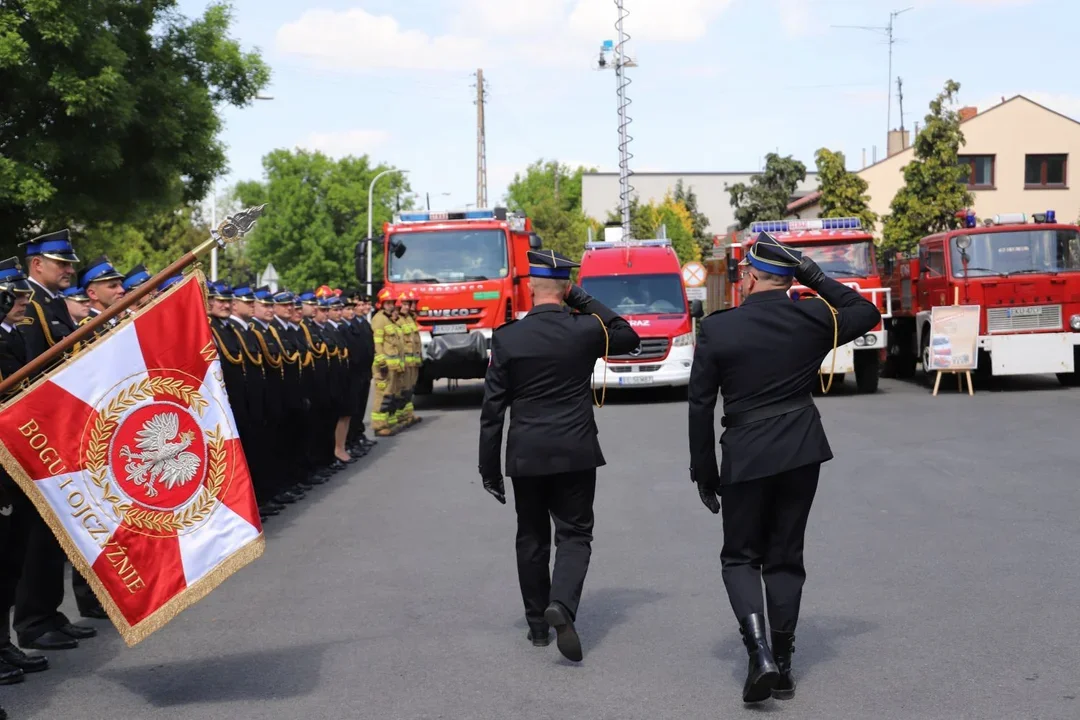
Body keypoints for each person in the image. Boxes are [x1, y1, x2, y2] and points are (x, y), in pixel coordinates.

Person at [686, 232, 881, 704]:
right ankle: (785, 664)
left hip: (746, 452)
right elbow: (866, 313)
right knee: (785, 557)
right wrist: (813, 276)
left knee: (739, 557)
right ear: (789, 279)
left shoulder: (718, 328)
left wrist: (703, 470)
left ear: (750, 277)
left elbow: (699, 405)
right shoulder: (813, 315)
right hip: (800, 449)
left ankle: (760, 654)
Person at [477, 249, 639, 662]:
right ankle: (561, 605)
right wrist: (583, 301)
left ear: (530, 287)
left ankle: (536, 627)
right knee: (575, 534)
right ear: (567, 288)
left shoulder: (507, 337)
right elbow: (627, 335)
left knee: (531, 537)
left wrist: (488, 468)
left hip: (526, 453)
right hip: (575, 449)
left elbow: (493, 410)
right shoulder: (584, 329)